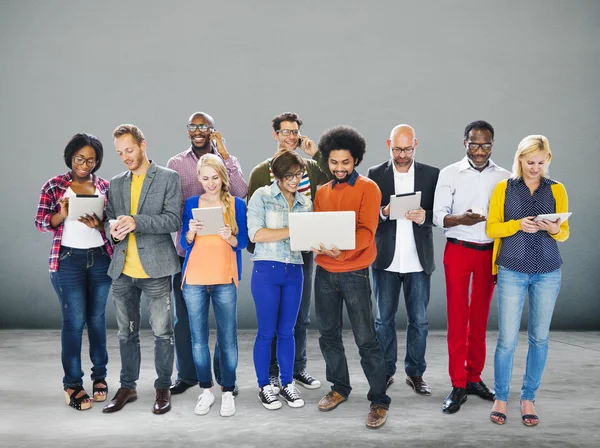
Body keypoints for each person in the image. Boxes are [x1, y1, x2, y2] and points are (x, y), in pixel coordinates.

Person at [486, 135, 569, 426]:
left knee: (540, 338)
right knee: (507, 339)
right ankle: (500, 397)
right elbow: (491, 227)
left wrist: (555, 228)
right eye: (529, 162)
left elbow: (565, 232)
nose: (535, 168)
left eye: (540, 162)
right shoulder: (503, 188)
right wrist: (517, 224)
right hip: (512, 269)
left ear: (547, 160)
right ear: (519, 159)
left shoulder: (556, 189)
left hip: (548, 270)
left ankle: (528, 397)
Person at [312, 125, 391, 430]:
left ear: (355, 159)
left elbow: (367, 232)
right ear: (327, 161)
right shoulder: (322, 192)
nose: (340, 168)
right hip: (324, 274)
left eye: (345, 162)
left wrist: (339, 254)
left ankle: (379, 400)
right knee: (329, 336)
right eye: (334, 163)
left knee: (366, 340)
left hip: (355, 273)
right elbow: (319, 228)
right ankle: (339, 388)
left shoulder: (369, 188)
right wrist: (319, 246)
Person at [102, 124, 182, 415]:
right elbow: (108, 219)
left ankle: (163, 386)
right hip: (123, 270)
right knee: (126, 333)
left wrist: (137, 222)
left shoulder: (168, 178)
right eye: (120, 152)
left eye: (130, 150)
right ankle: (128, 386)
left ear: (143, 145)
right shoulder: (116, 182)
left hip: (157, 270)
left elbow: (173, 220)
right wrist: (113, 229)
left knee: (162, 332)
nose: (125, 157)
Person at [247, 112, 330, 392]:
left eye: (295, 132)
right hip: (270, 255)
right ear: (275, 135)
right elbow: (253, 219)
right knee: (270, 322)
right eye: (285, 132)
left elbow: (337, 177)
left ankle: (296, 369)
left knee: (299, 316)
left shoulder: (309, 168)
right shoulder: (260, 173)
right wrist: (261, 251)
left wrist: (317, 153)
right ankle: (271, 374)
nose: (290, 137)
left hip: (301, 255)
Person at [433, 120, 510, 414]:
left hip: (489, 253)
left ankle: (475, 377)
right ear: (464, 143)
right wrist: (460, 219)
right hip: (459, 251)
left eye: (486, 144)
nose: (480, 151)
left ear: (493, 144)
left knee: (479, 318)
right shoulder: (450, 173)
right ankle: (458, 382)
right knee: (457, 317)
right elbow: (439, 216)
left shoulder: (505, 176)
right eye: (474, 144)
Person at [167, 112, 248, 396]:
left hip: (222, 258)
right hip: (191, 253)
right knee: (186, 323)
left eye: (204, 126)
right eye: (193, 126)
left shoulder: (227, 163)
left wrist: (224, 156)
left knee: (225, 331)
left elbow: (240, 192)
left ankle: (225, 378)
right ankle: (190, 377)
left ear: (213, 130)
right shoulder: (176, 163)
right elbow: (173, 206)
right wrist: (188, 233)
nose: (198, 130)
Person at [34, 133, 113, 410]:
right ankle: (72, 384)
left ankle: (100, 376)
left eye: (91, 160)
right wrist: (62, 214)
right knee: (74, 321)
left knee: (98, 320)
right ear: (71, 156)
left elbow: (112, 227)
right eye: (80, 158)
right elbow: (41, 223)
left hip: (101, 258)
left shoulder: (104, 186)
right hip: (67, 260)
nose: (85, 164)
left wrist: (100, 225)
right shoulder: (55, 185)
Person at [367, 124, 440, 396]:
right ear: (388, 144)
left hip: (418, 260)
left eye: (407, 148)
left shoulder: (432, 174)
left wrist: (425, 216)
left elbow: (440, 212)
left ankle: (416, 373)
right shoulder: (375, 174)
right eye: (397, 148)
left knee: (419, 320)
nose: (401, 154)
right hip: (386, 259)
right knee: (383, 319)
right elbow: (368, 216)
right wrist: (384, 212)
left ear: (416, 145)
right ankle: (386, 371)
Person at [180, 153, 248, 417]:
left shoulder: (236, 203)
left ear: (223, 176)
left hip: (224, 279)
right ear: (198, 178)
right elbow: (185, 245)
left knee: (227, 339)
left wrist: (230, 236)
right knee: (198, 341)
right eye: (205, 178)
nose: (210, 183)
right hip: (194, 279)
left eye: (215, 177)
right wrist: (190, 233)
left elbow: (242, 244)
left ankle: (228, 391)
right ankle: (206, 390)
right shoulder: (191, 203)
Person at [247, 150, 312, 410]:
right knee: (266, 332)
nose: (294, 181)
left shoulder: (305, 202)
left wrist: (319, 241)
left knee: (288, 331)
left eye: (298, 175)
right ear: (276, 175)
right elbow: (256, 234)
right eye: (289, 176)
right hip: (266, 270)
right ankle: (265, 386)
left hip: (295, 270)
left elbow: (305, 241)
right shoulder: (261, 196)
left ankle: (287, 384)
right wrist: (293, 230)